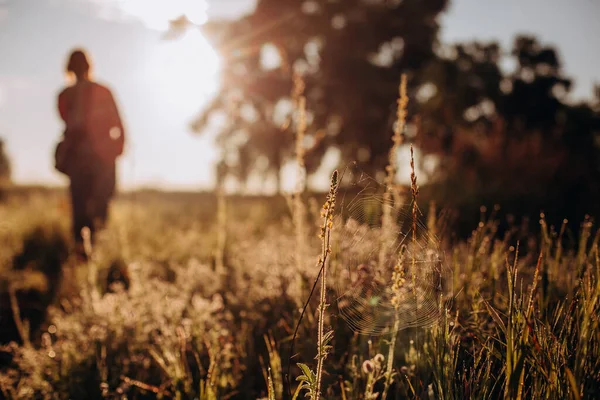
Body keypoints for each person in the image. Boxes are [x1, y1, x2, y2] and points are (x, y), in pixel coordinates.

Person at [56, 49, 125, 257]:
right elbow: (119, 125)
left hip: (88, 158)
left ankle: (85, 253)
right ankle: (92, 254)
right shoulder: (97, 91)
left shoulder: (65, 95)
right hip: (98, 158)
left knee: (84, 207)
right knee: (97, 206)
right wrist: (115, 149)